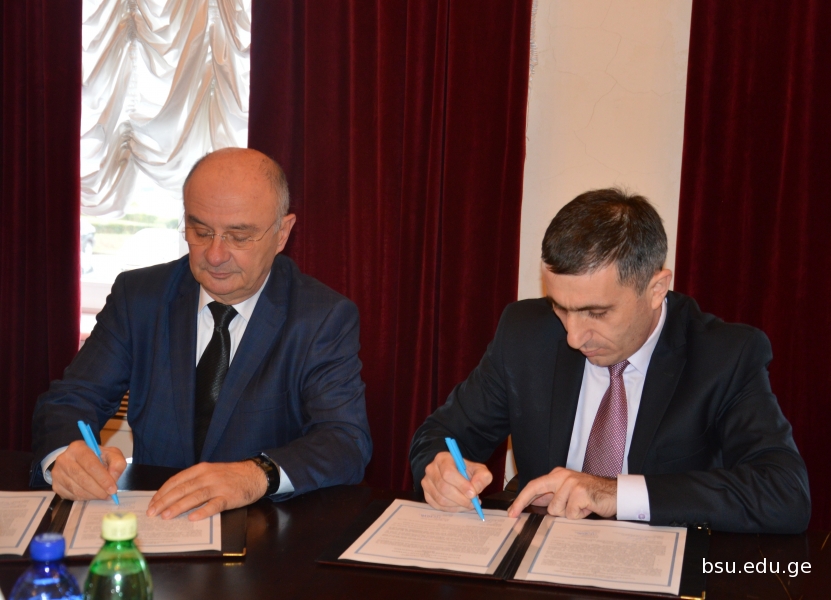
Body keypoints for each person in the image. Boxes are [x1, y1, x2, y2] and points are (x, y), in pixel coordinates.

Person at [410, 188, 810, 534]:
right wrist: (441, 469)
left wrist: (616, 493)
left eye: (597, 313)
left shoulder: (725, 356)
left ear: (656, 289)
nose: (574, 336)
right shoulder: (524, 334)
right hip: (541, 565)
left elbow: (785, 493)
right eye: (560, 307)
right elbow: (440, 435)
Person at [31, 148, 372, 521]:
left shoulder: (321, 317)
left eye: (238, 236)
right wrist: (67, 456)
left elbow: (345, 440)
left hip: (263, 529)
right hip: (155, 519)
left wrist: (256, 474)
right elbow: (71, 399)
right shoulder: (140, 298)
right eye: (201, 231)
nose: (215, 255)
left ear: (282, 233)